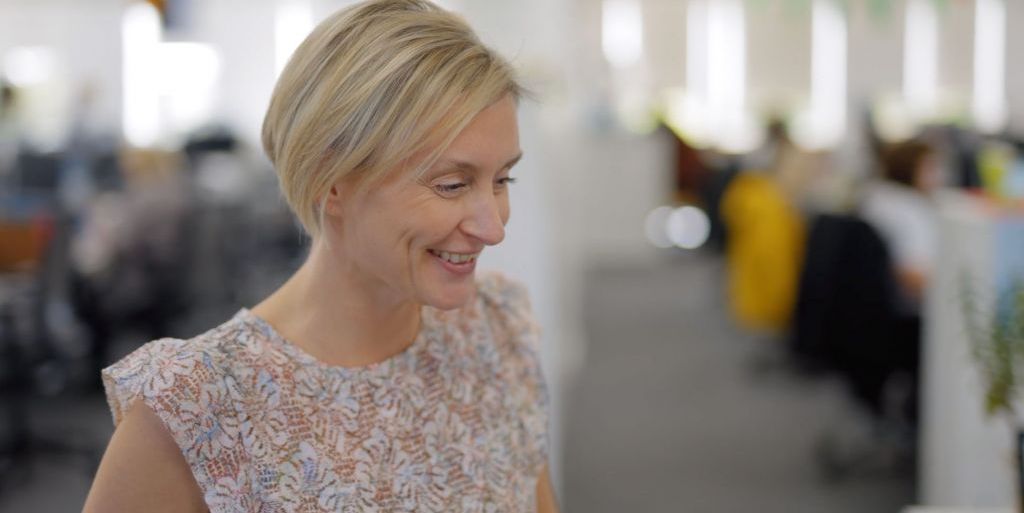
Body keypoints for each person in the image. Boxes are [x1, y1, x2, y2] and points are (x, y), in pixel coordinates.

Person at [82, 1, 558, 511]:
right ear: (333, 183)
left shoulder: (496, 328)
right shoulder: (199, 409)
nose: (492, 227)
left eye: (502, 179)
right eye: (451, 184)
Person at [860, 139, 940, 313]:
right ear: (910, 168)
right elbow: (913, 277)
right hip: (906, 313)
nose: (938, 176)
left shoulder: (874, 197)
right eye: (930, 168)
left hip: (872, 310)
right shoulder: (911, 209)